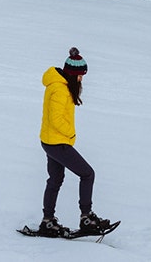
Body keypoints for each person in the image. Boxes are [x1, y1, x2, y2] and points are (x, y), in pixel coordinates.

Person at [36, 47, 113, 236]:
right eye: (80, 76)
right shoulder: (61, 90)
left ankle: (48, 221)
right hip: (58, 142)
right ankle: (86, 217)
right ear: (72, 74)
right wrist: (70, 133)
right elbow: (56, 119)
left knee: (55, 179)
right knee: (87, 174)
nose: (81, 79)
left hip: (50, 141)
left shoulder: (58, 86)